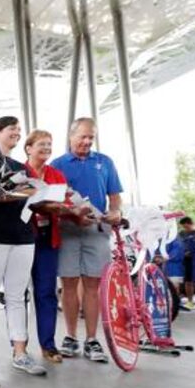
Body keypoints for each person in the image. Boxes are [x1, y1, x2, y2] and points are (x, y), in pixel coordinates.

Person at [50, 117, 122, 363]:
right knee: (69, 283)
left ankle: (92, 340)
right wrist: (72, 214)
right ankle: (70, 337)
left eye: (91, 137)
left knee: (93, 285)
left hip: (97, 229)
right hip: (68, 229)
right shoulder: (57, 164)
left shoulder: (105, 162)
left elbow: (114, 197)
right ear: (71, 136)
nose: (87, 141)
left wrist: (116, 212)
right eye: (83, 136)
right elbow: (53, 200)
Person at [0, 117, 46, 376]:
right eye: (12, 129)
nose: (17, 133)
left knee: (18, 296)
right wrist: (8, 194)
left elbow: (32, 194)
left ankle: (20, 352)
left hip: (23, 236)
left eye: (20, 130)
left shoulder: (22, 166)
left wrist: (26, 193)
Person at [24, 129, 77, 363]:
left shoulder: (56, 174)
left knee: (46, 293)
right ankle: (18, 347)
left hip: (47, 239)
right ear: (28, 148)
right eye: (41, 144)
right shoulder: (19, 171)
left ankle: (48, 345)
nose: (46, 148)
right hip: (22, 236)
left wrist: (70, 209)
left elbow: (65, 202)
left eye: (49, 144)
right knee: (16, 294)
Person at [178, 216, 195, 306]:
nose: (185, 228)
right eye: (183, 227)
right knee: (188, 280)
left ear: (191, 224)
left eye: (186, 226)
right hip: (186, 260)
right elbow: (179, 246)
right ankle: (190, 300)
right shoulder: (181, 234)